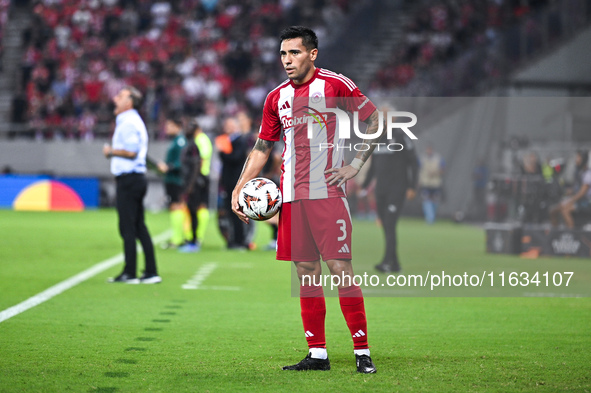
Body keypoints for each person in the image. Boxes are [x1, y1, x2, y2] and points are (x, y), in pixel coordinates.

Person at [231, 26, 379, 373]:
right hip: (292, 199)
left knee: (341, 269)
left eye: (294, 53)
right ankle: (318, 354)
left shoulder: (335, 84)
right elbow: (262, 148)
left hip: (327, 193)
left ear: (312, 54)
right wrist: (240, 187)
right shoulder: (275, 97)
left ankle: (362, 351)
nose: (287, 60)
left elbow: (374, 120)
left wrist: (355, 164)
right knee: (307, 273)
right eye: (283, 54)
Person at [103, 86, 161, 284]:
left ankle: (130, 272)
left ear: (129, 103)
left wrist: (111, 151)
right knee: (138, 226)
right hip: (135, 178)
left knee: (127, 227)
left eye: (120, 96)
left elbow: (132, 151)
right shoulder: (132, 120)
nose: (115, 98)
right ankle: (151, 271)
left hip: (129, 178)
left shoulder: (128, 122)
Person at [361, 127, 418, 274]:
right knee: (386, 226)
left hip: (397, 189)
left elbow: (414, 162)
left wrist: (412, 186)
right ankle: (395, 263)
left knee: (390, 224)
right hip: (381, 191)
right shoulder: (376, 139)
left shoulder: (401, 137)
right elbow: (373, 168)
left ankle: (387, 262)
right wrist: (363, 187)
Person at [218, 116, 249, 249]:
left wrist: (223, 153)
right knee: (230, 213)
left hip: (236, 181)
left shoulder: (240, 141)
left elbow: (236, 158)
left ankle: (240, 240)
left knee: (237, 212)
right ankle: (233, 240)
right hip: (228, 181)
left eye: (230, 125)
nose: (227, 128)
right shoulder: (229, 140)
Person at [157, 115, 187, 249]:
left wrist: (168, 167)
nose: (166, 128)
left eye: (169, 125)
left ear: (178, 126)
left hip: (176, 179)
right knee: (175, 206)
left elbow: (181, 161)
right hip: (172, 178)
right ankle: (179, 237)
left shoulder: (180, 141)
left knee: (176, 206)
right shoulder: (176, 140)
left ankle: (177, 239)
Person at [178, 119, 203, 253]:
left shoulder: (193, 146)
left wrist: (190, 186)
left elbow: (195, 166)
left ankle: (194, 241)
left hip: (193, 185)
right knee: (190, 212)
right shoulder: (189, 145)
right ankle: (191, 239)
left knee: (193, 211)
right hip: (188, 183)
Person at [550, 151, 591, 228]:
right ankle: (556, 233)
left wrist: (569, 200)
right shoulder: (579, 172)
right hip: (578, 201)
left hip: (586, 203)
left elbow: (581, 193)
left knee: (565, 210)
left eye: (578, 158)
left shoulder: (588, 174)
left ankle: (571, 235)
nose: (576, 160)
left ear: (583, 159)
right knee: (554, 210)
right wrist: (566, 192)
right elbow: (576, 189)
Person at [193, 118, 213, 246]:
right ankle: (194, 235)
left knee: (200, 205)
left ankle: (198, 236)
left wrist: (196, 175)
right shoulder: (199, 139)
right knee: (196, 206)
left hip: (201, 175)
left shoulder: (201, 139)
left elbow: (202, 157)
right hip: (199, 175)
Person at [418, 145, 444, 224]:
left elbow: (443, 169)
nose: (428, 151)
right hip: (425, 183)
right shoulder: (422, 158)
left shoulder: (438, 158)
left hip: (435, 183)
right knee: (426, 200)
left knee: (434, 201)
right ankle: (430, 218)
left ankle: (432, 217)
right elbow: (418, 169)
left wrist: (435, 173)